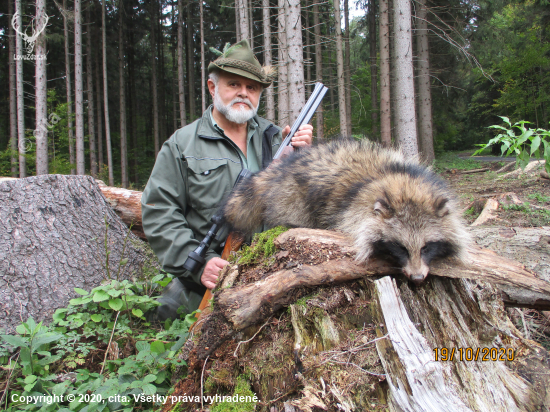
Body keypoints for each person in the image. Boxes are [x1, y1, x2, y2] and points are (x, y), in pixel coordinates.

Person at [141, 39, 313, 317]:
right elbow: (159, 211)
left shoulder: (276, 139)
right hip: (206, 278)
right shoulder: (182, 144)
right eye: (234, 84)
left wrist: (303, 158)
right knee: (165, 329)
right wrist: (199, 264)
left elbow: (307, 205)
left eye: (252, 87)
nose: (243, 93)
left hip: (273, 275)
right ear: (213, 87)